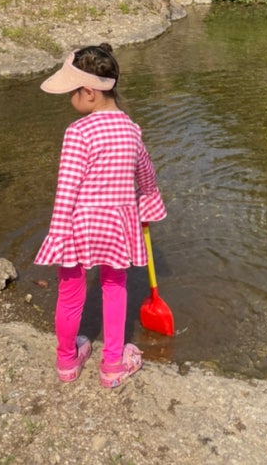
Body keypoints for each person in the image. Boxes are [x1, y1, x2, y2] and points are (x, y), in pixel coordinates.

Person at [35, 43, 166, 388]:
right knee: (114, 287)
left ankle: (66, 361)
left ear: (89, 93)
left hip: (80, 222)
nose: (69, 100)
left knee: (70, 293)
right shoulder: (132, 130)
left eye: (71, 92)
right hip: (117, 225)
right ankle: (111, 365)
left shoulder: (77, 133)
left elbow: (67, 189)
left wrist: (58, 235)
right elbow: (147, 176)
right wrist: (149, 203)